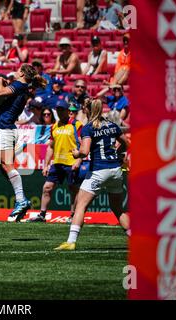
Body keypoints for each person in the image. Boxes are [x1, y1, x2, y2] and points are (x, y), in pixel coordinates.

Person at [55, 98, 130, 250]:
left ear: (88, 110)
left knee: (80, 205)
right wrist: (118, 152)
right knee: (117, 209)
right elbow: (126, 143)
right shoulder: (112, 125)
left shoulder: (88, 128)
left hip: (99, 171)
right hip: (115, 171)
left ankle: (70, 241)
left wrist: (76, 154)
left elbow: (85, 151)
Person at [0, 63, 47, 222]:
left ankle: (21, 200)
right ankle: (21, 199)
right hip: (4, 127)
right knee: (3, 166)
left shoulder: (20, 84)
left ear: (22, 73)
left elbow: (0, 91)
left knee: (7, 165)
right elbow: (3, 95)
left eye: (18, 70)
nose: (15, 72)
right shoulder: (20, 86)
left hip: (5, 127)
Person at [27, 99, 83, 223]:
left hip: (71, 162)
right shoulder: (54, 126)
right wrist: (46, 165)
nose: (59, 112)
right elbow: (51, 147)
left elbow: (83, 143)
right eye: (58, 110)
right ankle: (42, 215)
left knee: (73, 189)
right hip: (57, 162)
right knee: (47, 187)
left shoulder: (76, 125)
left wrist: (78, 160)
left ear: (68, 111)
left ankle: (73, 216)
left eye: (62, 109)